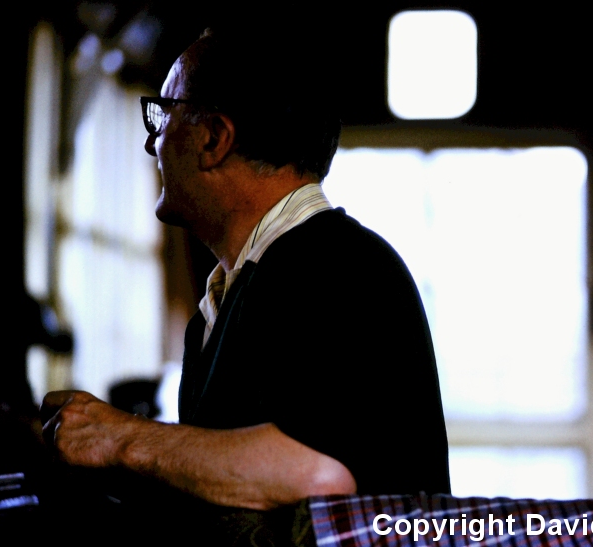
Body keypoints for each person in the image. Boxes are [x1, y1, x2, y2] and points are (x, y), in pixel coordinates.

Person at [41, 13, 450, 513]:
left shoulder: (340, 268)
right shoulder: (230, 297)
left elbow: (314, 475)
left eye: (163, 117)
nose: (153, 143)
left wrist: (122, 438)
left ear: (214, 138)